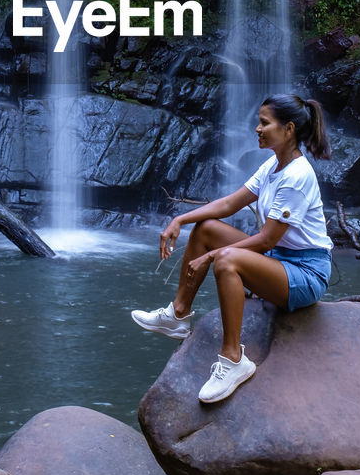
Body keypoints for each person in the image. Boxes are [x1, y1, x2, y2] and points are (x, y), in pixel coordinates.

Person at [131, 94, 333, 404]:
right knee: (207, 228)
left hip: (305, 273)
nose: (257, 128)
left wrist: (210, 257)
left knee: (226, 260)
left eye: (264, 123)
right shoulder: (274, 165)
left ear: (288, 129)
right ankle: (178, 315)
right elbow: (227, 204)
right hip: (279, 260)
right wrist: (179, 219)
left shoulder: (296, 177)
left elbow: (266, 240)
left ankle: (234, 359)